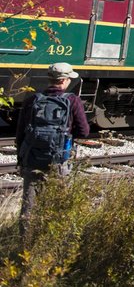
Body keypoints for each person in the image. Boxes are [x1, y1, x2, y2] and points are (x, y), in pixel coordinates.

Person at [15, 62, 90, 233]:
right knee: (58, 203)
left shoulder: (32, 100)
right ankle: (50, 240)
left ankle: (25, 244)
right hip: (59, 160)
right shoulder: (72, 100)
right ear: (64, 81)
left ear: (50, 79)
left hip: (32, 159)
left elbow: (21, 134)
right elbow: (84, 131)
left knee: (29, 206)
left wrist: (21, 160)